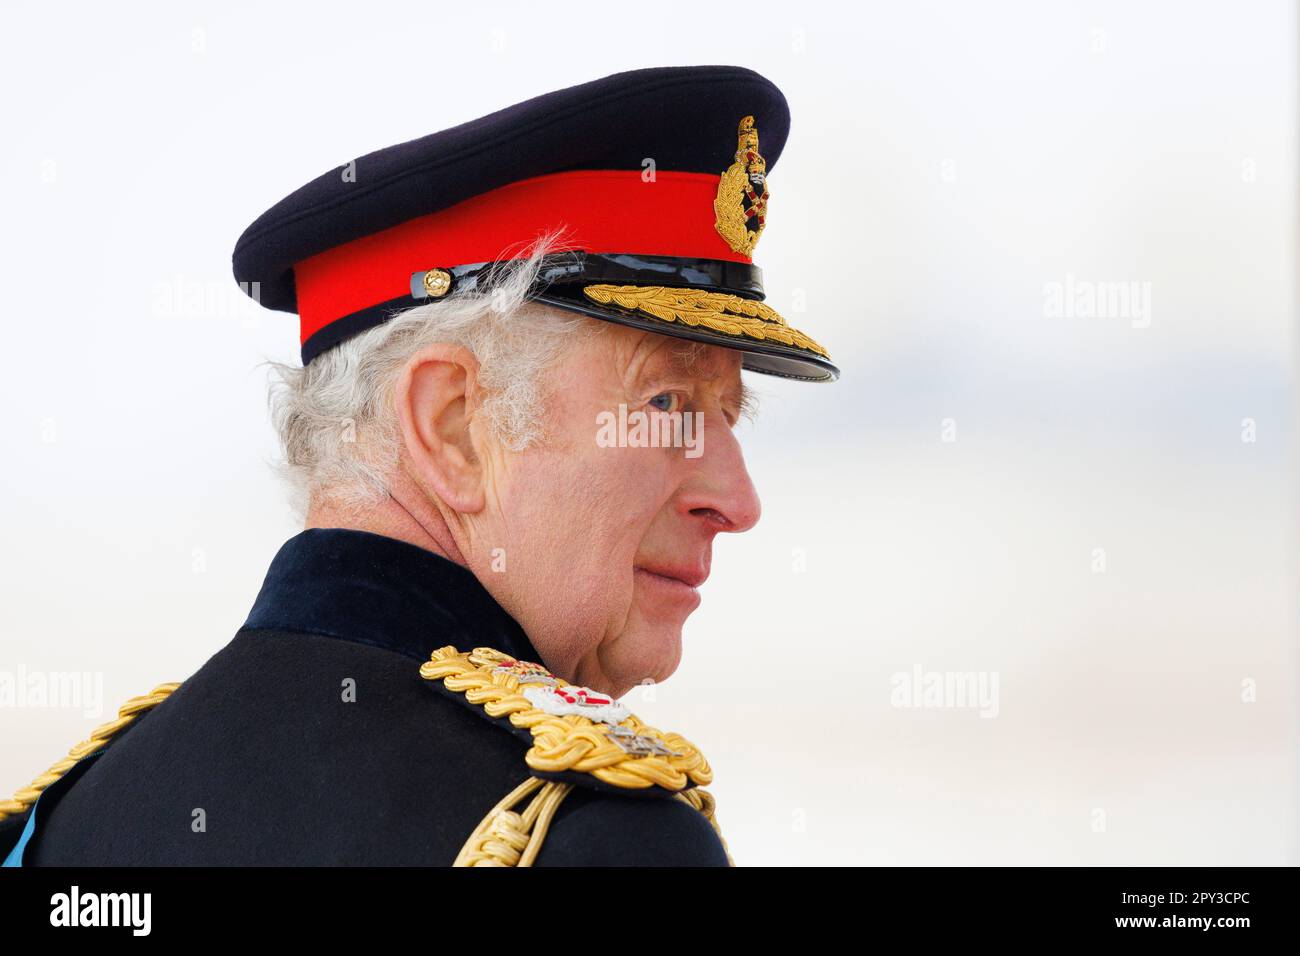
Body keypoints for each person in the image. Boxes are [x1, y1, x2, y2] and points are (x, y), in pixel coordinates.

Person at [0, 64, 836, 866]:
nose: (738, 499)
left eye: (729, 417)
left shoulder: (61, 819)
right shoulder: (593, 838)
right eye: (666, 405)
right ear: (454, 428)